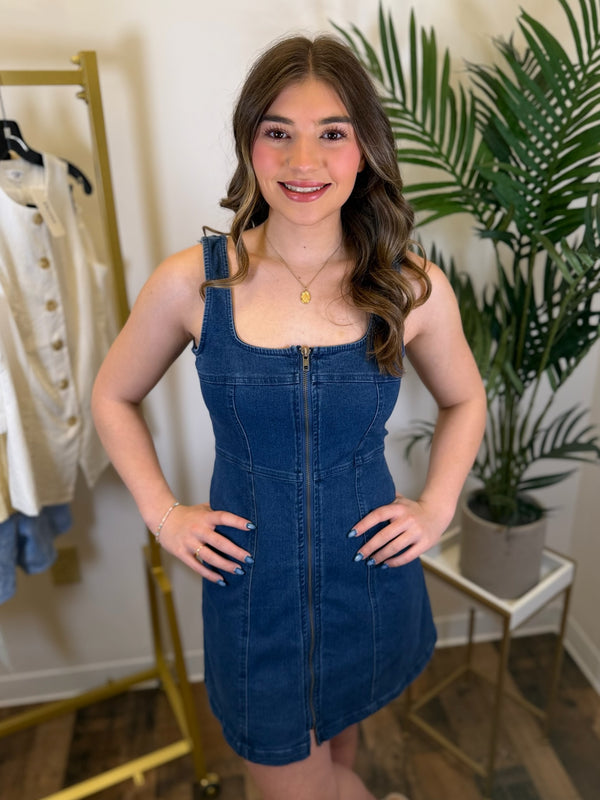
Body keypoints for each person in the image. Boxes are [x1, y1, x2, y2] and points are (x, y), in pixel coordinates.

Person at [92, 33, 487, 800]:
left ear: (365, 148)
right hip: (253, 593)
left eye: (332, 133)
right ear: (250, 143)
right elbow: (113, 396)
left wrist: (436, 508)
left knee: (338, 754)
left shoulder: (411, 286)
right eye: (279, 132)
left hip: (370, 580)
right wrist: (167, 516)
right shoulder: (193, 283)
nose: (304, 162)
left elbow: (465, 398)